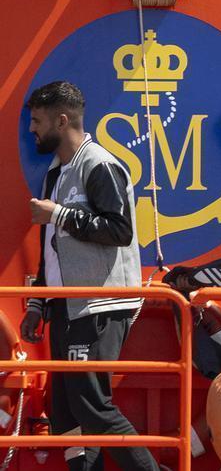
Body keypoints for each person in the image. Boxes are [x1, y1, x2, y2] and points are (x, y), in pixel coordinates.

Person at [21, 81, 158, 471]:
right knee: (65, 412)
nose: (32, 129)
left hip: (99, 304)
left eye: (37, 120)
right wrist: (37, 304)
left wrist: (58, 214)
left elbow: (120, 230)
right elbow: (52, 247)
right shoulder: (56, 174)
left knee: (91, 404)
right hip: (68, 307)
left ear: (62, 120)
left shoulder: (99, 164)